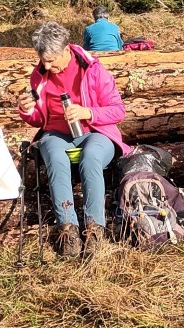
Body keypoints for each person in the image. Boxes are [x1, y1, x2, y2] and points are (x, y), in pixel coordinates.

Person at [17, 22, 129, 257]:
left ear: (66, 50)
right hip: (56, 134)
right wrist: (27, 111)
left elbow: (118, 110)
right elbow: (39, 119)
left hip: (96, 132)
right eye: (43, 61)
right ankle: (67, 229)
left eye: (51, 60)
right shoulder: (40, 76)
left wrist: (88, 112)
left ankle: (95, 228)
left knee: (91, 157)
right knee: (56, 158)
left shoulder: (93, 70)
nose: (47, 66)